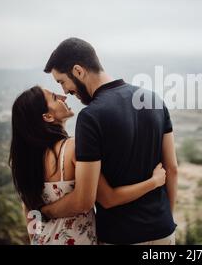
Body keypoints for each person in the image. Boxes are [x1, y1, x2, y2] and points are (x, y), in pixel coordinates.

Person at [41, 37, 178, 244]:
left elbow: (101, 199)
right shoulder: (153, 99)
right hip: (164, 232)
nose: (65, 91)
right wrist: (165, 219)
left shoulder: (91, 117)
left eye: (62, 82)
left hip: (120, 236)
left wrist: (44, 211)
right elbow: (172, 168)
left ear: (78, 71)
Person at [9, 86, 167, 245]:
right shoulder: (73, 148)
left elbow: (29, 210)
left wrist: (36, 239)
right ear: (48, 116)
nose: (63, 97)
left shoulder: (27, 162)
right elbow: (108, 198)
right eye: (55, 98)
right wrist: (153, 182)